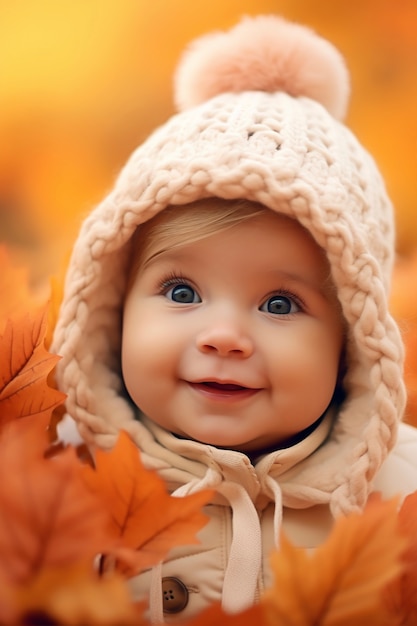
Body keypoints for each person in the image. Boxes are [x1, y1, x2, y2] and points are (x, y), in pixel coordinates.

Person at [51, 14, 417, 623]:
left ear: (353, 341)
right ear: (112, 308)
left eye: (280, 304)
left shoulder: (400, 490)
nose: (222, 337)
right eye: (181, 291)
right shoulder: (57, 475)